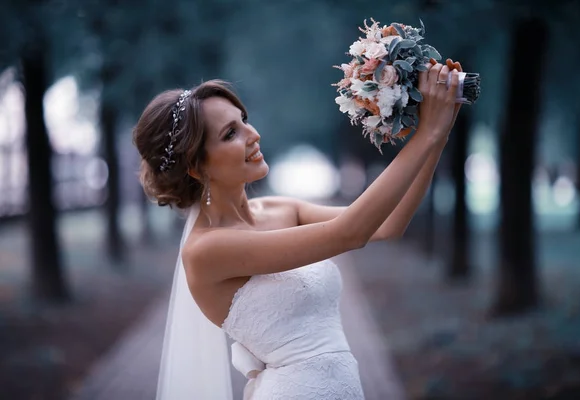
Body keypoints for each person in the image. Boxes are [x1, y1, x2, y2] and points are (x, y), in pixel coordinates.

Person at [132, 58, 463, 400]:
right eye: (230, 133)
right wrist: (425, 134)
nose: (253, 135)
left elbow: (387, 225)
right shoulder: (205, 250)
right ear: (196, 167)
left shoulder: (281, 208)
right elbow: (351, 233)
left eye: (244, 121)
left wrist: (440, 132)